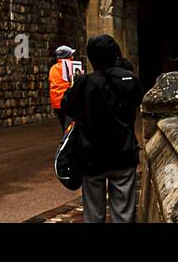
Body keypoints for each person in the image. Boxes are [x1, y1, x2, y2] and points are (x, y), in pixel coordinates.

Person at [59, 34, 142, 224]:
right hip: (123, 152)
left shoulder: (84, 82)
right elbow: (137, 101)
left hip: (91, 155)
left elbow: (67, 106)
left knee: (93, 213)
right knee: (124, 213)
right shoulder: (130, 79)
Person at [49, 45, 76, 131]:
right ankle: (66, 144)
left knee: (64, 125)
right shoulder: (71, 66)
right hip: (68, 101)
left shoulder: (53, 68)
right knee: (69, 128)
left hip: (56, 102)